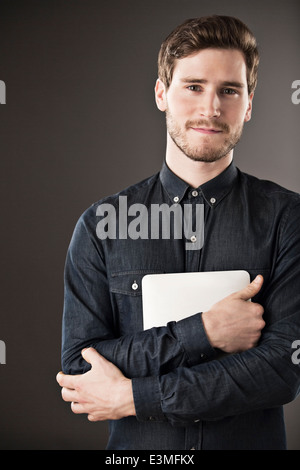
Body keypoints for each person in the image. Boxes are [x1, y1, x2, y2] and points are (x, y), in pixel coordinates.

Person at [56, 15, 300, 450]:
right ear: (161, 94)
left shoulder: (288, 219)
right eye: (193, 86)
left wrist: (134, 396)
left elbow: (283, 369)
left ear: (248, 104)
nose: (211, 108)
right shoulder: (100, 226)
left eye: (230, 90)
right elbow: (79, 368)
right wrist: (203, 332)